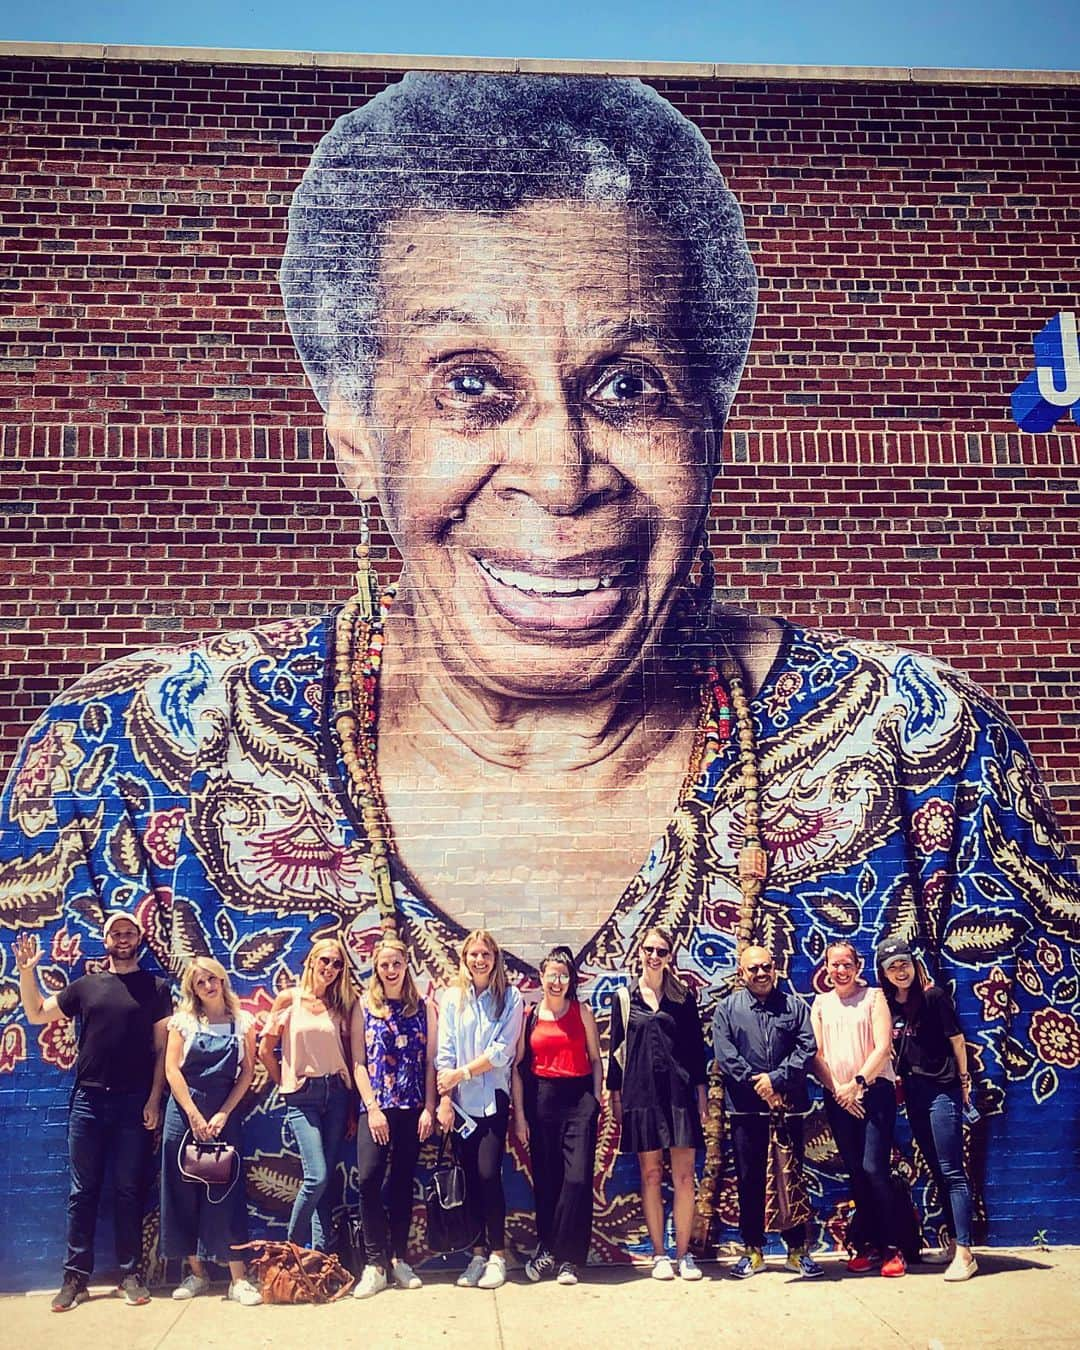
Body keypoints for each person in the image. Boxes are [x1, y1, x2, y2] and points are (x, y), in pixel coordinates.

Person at [3, 70, 1078, 1262]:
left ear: (712, 428)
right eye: (472, 385)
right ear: (356, 437)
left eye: (628, 386)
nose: (561, 473)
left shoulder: (927, 757)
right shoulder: (120, 771)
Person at [14, 912, 171, 1311]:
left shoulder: (156, 988)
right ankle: (75, 1278)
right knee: (82, 1192)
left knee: (127, 1191)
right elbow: (35, 1014)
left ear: (139, 938)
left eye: (129, 932)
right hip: (88, 1101)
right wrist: (27, 972)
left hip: (134, 1102)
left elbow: (162, 1051)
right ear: (106, 941)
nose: (123, 937)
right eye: (116, 933)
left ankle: (129, 1275)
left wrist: (154, 1098)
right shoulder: (86, 987)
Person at [712, 944, 822, 1279]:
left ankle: (796, 1250)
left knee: (792, 1178)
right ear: (741, 972)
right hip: (747, 1111)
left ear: (774, 968)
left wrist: (776, 1080)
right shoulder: (727, 1009)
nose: (760, 974)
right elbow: (726, 1055)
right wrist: (758, 1085)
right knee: (749, 1179)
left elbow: (807, 1047)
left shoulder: (793, 1006)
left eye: (765, 967)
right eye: (753, 969)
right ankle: (753, 1250)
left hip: (788, 1108)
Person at [607, 926, 709, 1281]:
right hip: (641, 1095)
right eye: (649, 949)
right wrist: (615, 1095)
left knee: (684, 1177)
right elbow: (615, 1052)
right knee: (650, 1175)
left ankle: (684, 1256)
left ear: (670, 957)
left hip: (679, 1095)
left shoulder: (683, 998)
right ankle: (659, 1254)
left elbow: (697, 1051)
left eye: (661, 951)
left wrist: (701, 1095)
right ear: (640, 952)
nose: (654, 956)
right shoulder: (624, 998)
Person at [876, 936, 978, 1282]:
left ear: (914, 964)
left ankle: (965, 1252)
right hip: (915, 1096)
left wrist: (963, 1081)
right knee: (936, 1168)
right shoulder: (891, 1005)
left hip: (941, 1092)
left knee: (952, 1171)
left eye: (904, 964)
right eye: (892, 967)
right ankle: (953, 1243)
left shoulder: (933, 997)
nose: (900, 971)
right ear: (884, 974)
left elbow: (957, 1039)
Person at [161, 956, 261, 1305]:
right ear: (193, 987)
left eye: (212, 979)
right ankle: (197, 1274)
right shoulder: (183, 1022)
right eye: (200, 981)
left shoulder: (242, 1022)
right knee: (182, 1193)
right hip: (184, 1114)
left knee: (227, 1194)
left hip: (223, 1114)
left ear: (222, 980)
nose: (207, 985)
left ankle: (238, 1279)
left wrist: (222, 1114)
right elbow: (172, 1070)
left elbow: (247, 1073)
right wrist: (192, 1114)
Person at [435, 930, 524, 1290]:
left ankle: (498, 1256)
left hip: (493, 1100)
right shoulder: (453, 998)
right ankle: (476, 1254)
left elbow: (504, 1050)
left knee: (488, 1175)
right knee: (468, 1179)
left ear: (495, 958)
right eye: (473, 954)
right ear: (465, 958)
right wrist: (445, 1099)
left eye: (485, 954)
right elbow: (445, 1051)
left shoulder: (510, 997)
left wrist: (464, 1072)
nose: (479, 960)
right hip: (460, 1104)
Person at [350, 935, 437, 1299]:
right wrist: (372, 1107)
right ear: (376, 967)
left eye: (396, 963)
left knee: (402, 1183)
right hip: (377, 1110)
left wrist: (431, 1108)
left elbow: (431, 1063)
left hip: (412, 1109)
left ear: (407, 965)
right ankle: (375, 1264)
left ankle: (399, 1258)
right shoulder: (364, 1006)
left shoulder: (424, 1008)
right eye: (384, 964)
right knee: (369, 1180)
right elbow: (358, 1061)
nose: (390, 970)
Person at [812, 941, 905, 1277]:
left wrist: (858, 1085)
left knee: (873, 1169)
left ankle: (892, 1247)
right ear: (826, 967)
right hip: (839, 1099)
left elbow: (883, 1047)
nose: (840, 970)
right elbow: (816, 1054)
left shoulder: (874, 998)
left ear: (858, 965)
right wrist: (839, 1091)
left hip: (874, 1093)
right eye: (834, 964)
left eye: (846, 963)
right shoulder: (821, 1003)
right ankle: (866, 1245)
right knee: (855, 1171)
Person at [512, 946, 603, 1286]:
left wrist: (594, 1098)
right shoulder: (531, 1015)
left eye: (564, 975)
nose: (557, 981)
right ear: (542, 976)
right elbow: (518, 1068)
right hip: (542, 1100)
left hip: (578, 1099)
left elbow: (595, 1059)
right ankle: (551, 1249)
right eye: (552, 974)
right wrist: (520, 1115)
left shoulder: (581, 1012)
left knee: (577, 1179)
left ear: (570, 980)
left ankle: (566, 1255)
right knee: (548, 1183)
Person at [259, 937, 355, 1252]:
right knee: (316, 1176)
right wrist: (286, 1085)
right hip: (303, 1097)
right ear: (311, 961)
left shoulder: (340, 1003)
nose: (330, 968)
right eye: (325, 960)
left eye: (337, 963)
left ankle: (319, 1255)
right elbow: (265, 1050)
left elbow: (351, 1053)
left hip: (337, 1094)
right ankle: (291, 1250)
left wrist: (353, 1103)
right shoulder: (289, 1000)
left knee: (325, 1184)